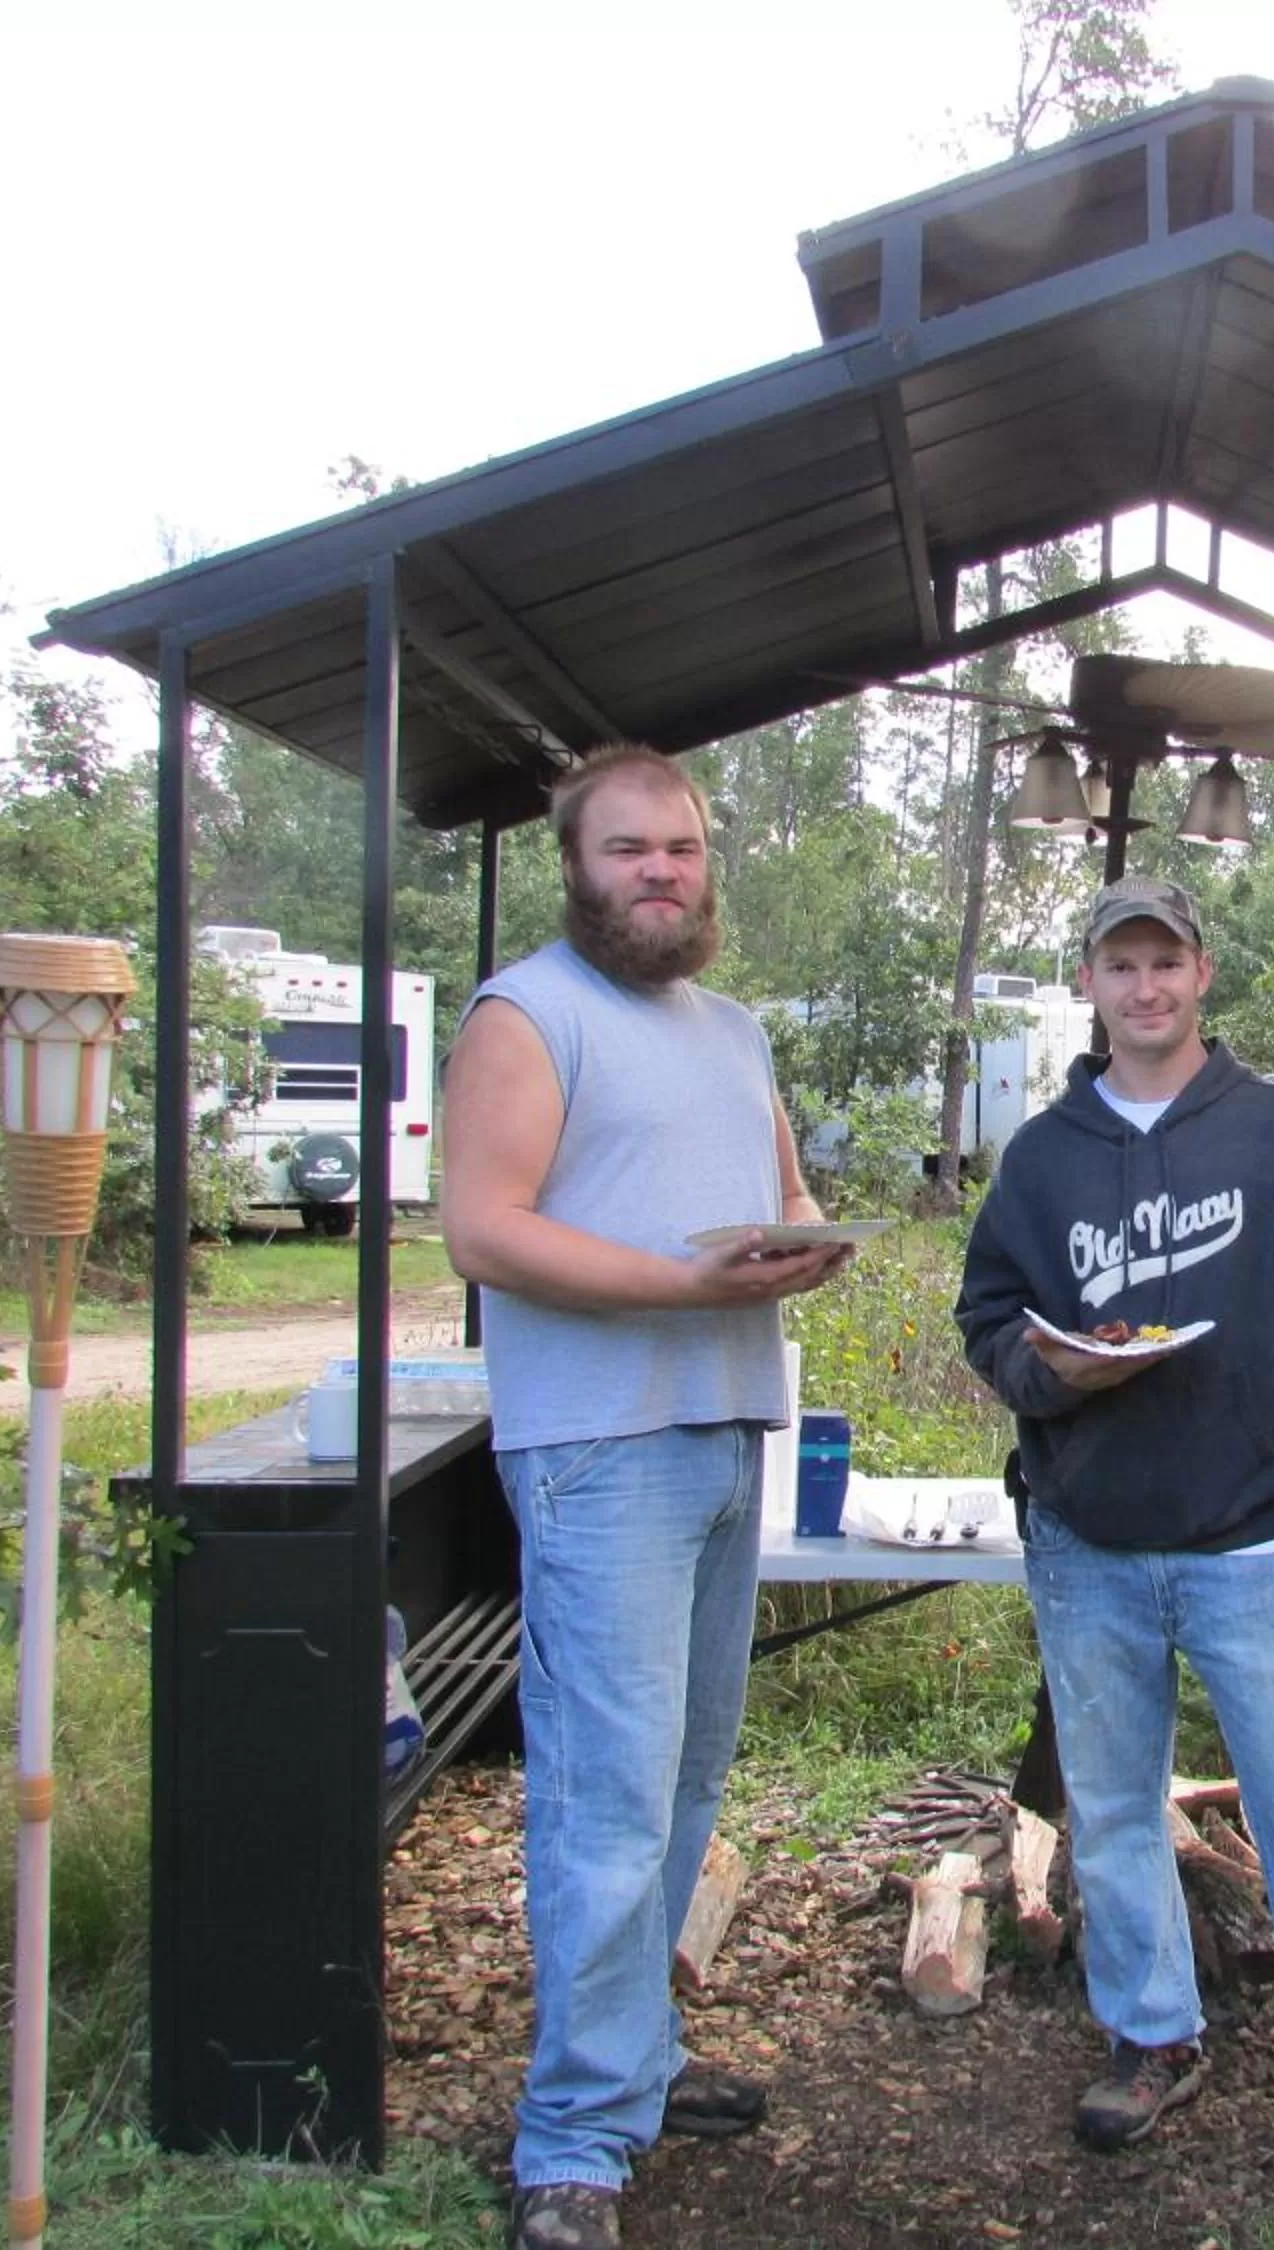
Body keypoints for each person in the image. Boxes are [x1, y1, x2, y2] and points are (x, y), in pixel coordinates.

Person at [952, 874, 1274, 2190]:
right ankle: (1151, 2032)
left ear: (1202, 973)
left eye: (1166, 962)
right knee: (1111, 1810)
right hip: (1086, 1539)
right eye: (1122, 966)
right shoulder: (1045, 1156)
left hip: (1246, 1542)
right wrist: (1055, 1372)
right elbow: (986, 1316)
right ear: (1092, 985)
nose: (1146, 987)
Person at [443, 743, 855, 2250]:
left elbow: (785, 1191)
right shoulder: (527, 1011)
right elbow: (483, 1230)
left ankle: (638, 2065)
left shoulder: (733, 1027)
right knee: (603, 1795)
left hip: (725, 1424)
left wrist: (807, 1241)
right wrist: (684, 1279)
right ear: (579, 865)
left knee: (683, 1775)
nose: (660, 872)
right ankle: (568, 2135)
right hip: (597, 1447)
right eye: (629, 850)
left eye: (680, 848)